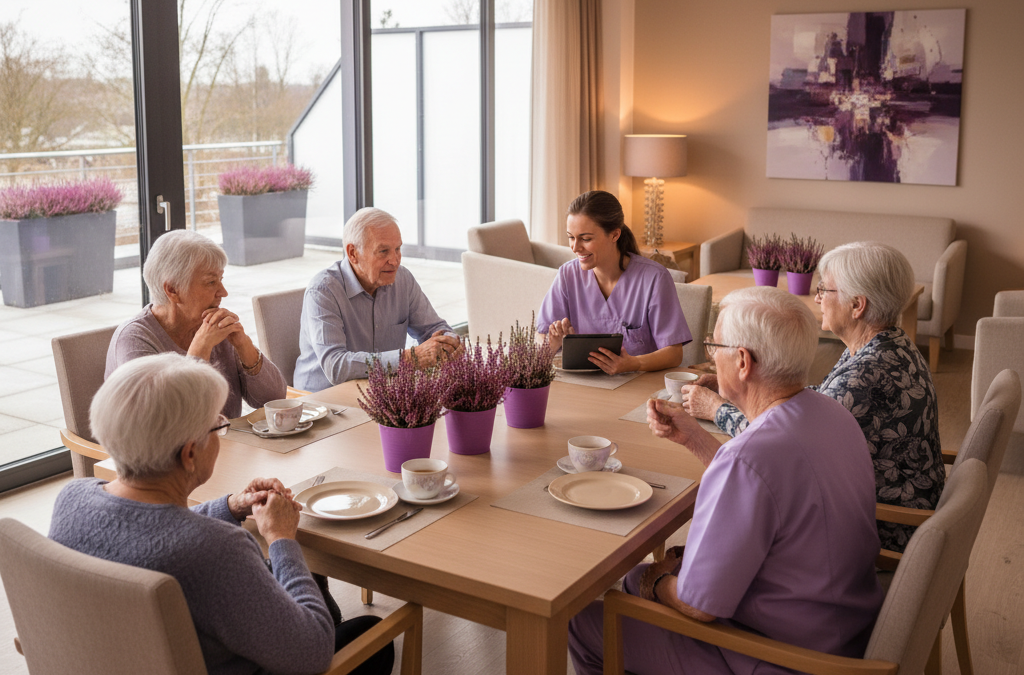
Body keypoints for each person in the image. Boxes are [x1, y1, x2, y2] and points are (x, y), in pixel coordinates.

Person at [568, 287, 884, 675]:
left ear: (742, 362)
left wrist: (653, 577)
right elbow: (768, 490)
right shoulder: (832, 415)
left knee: (585, 618)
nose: (709, 355)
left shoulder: (749, 457)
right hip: (841, 627)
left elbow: (699, 607)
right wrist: (695, 439)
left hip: (779, 657)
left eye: (713, 345)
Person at [49, 353, 393, 675]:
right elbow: (313, 653)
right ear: (189, 455)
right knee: (373, 634)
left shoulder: (72, 500)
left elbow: (152, 528)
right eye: (217, 426)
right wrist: (281, 539)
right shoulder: (218, 551)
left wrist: (230, 506)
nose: (220, 433)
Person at [681, 241, 942, 552]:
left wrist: (717, 408)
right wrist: (746, 387)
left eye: (825, 290)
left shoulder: (864, 378)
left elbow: (783, 444)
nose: (816, 298)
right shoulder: (887, 345)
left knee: (739, 514)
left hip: (883, 525)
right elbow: (815, 402)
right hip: (902, 497)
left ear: (857, 305)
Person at [106, 229, 286, 419]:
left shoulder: (214, 327)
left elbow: (275, 399)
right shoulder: (134, 340)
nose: (223, 292)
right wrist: (200, 350)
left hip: (226, 444)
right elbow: (164, 424)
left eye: (221, 279)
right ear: (172, 290)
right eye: (210, 282)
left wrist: (244, 345)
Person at [294, 207, 462, 390]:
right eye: (383, 251)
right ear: (352, 253)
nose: (395, 260)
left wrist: (448, 342)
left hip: (381, 394)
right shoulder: (323, 291)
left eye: (397, 249)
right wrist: (411, 358)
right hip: (322, 404)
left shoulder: (402, 279)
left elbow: (434, 328)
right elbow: (336, 367)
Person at [536, 190, 691, 375]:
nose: (575, 247)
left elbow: (674, 353)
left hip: (637, 385)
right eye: (571, 237)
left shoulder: (654, 278)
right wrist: (552, 344)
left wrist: (634, 363)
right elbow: (541, 336)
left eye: (586, 239)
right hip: (581, 386)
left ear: (615, 235)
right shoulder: (567, 275)